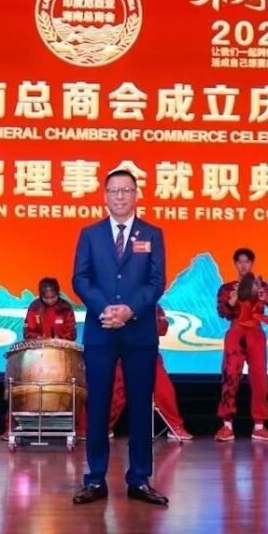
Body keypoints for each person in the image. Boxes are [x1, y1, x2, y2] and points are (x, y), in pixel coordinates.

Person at [71, 169, 167, 506]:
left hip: (139, 332)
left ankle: (139, 479)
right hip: (101, 330)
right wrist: (105, 309)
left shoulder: (152, 234)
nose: (120, 196)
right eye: (114, 191)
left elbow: (156, 281)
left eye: (126, 190)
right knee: (97, 404)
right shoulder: (90, 234)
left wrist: (130, 310)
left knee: (140, 406)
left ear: (136, 195)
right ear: (105, 196)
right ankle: (95, 478)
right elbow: (80, 279)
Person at [1, 277, 81, 440]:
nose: (50, 300)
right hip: (37, 357)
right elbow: (28, 331)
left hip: (60, 357)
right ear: (41, 295)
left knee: (75, 390)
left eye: (53, 297)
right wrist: (38, 339)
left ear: (58, 294)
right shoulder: (34, 307)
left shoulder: (65, 308)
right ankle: (11, 427)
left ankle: (80, 429)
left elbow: (71, 333)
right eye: (46, 298)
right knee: (20, 389)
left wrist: (57, 339)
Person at [215, 248, 268, 442]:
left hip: (255, 333)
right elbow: (223, 312)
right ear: (235, 264)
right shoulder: (227, 288)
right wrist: (234, 297)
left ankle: (259, 426)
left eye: (247, 262)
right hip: (236, 332)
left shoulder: (263, 287)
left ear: (251, 264)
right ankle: (227, 426)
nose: (243, 265)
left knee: (260, 378)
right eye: (240, 262)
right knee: (230, 376)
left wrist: (266, 298)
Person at [108, 304, 192, 441]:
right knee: (115, 391)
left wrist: (158, 322)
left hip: (148, 354)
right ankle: (103, 426)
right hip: (122, 355)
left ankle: (175, 426)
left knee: (164, 390)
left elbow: (162, 330)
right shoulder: (117, 304)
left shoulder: (153, 305)